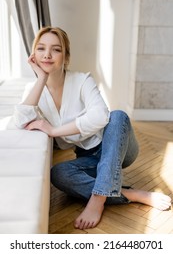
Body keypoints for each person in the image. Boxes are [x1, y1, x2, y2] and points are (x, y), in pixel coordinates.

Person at [14, 26, 171, 230]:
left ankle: (98, 198)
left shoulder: (82, 80)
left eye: (56, 49)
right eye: (41, 48)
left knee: (117, 116)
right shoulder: (33, 90)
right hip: (87, 157)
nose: (47, 54)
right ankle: (131, 194)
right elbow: (21, 121)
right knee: (58, 173)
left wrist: (54, 131)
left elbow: (100, 117)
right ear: (33, 55)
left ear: (66, 56)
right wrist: (41, 79)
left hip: (117, 146)